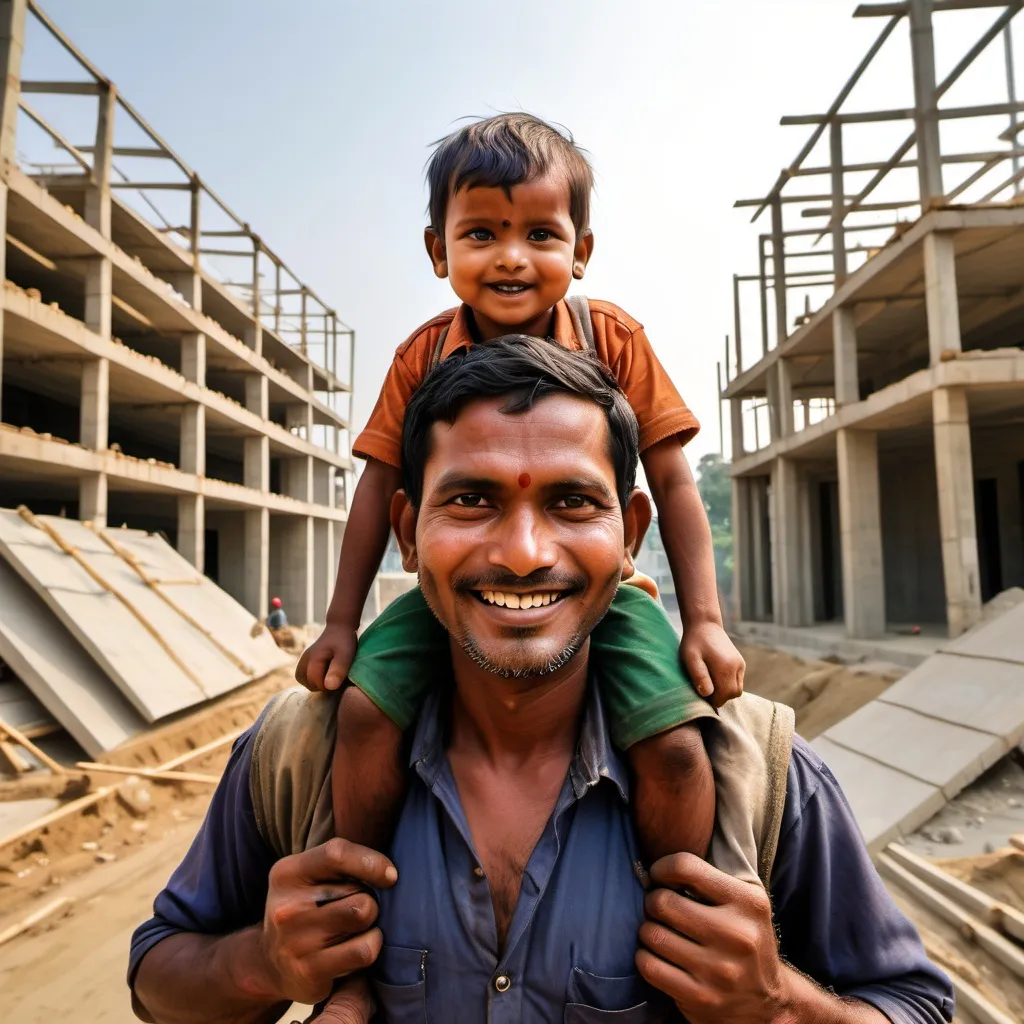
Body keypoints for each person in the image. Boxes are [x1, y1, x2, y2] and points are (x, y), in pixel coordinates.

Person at [129, 338, 953, 1024]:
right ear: (409, 533)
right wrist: (262, 964)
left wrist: (778, 1005)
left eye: (570, 502)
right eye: (473, 500)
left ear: (629, 534)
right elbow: (156, 976)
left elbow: (916, 1004)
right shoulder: (295, 753)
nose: (523, 552)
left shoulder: (764, 775)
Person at [297, 112, 746, 867]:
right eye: (481, 235)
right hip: (460, 589)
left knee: (674, 745)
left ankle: (684, 929)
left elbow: (671, 483)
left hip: (603, 589)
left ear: (582, 252)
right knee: (366, 718)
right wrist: (341, 623)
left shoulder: (614, 341)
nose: (512, 258)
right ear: (438, 251)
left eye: (541, 235)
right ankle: (351, 926)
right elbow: (376, 492)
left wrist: (704, 621)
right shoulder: (422, 357)